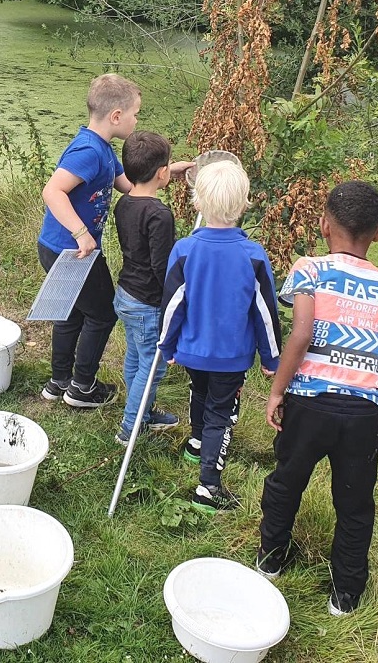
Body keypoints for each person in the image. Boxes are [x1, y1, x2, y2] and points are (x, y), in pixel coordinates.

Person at [256, 180, 378, 618]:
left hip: (310, 403)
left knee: (287, 480)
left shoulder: (309, 269)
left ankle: (271, 559)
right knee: (355, 504)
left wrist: (278, 390)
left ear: (322, 225)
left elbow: (300, 333)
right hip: (361, 412)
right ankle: (346, 594)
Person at [158, 159, 282, 513]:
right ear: (244, 205)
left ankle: (197, 442)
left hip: (191, 351)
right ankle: (209, 486)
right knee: (220, 412)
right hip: (230, 356)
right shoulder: (252, 256)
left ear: (197, 203)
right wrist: (272, 358)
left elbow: (172, 305)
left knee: (200, 390)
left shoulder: (184, 250)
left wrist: (167, 343)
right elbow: (265, 312)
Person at [37, 73, 141, 408]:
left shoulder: (104, 150)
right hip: (72, 251)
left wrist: (166, 172)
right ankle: (82, 388)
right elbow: (52, 191)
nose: (136, 120)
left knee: (71, 314)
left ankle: (59, 382)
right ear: (116, 116)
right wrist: (81, 233)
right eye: (135, 113)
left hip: (62, 248)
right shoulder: (88, 151)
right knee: (102, 314)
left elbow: (128, 187)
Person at [111, 131, 181, 446]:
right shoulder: (159, 215)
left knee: (136, 359)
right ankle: (130, 427)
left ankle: (145, 413)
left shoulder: (124, 203)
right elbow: (161, 268)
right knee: (152, 368)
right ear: (162, 173)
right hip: (147, 303)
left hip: (125, 293)